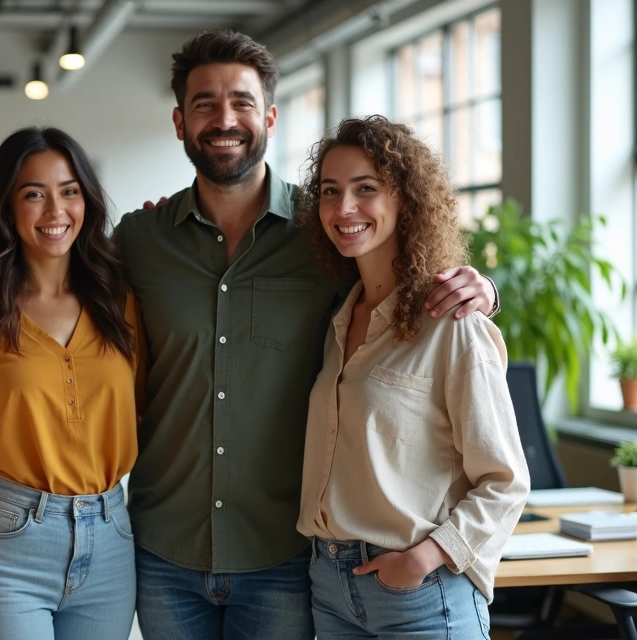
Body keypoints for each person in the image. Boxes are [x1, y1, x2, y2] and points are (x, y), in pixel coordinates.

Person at [111, 30, 501, 640]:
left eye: (241, 101)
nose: (224, 119)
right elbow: (63, 320)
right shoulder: (140, 239)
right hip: (166, 551)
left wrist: (481, 288)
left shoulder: (324, 233)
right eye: (204, 104)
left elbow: (406, 267)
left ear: (268, 116)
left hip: (287, 559)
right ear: (179, 122)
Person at [295, 115, 529, 638]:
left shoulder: (450, 323)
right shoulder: (339, 320)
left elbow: (506, 480)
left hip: (420, 592)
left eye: (366, 189)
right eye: (330, 191)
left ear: (406, 200)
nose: (344, 208)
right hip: (330, 586)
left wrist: (426, 558)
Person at [0, 127, 142, 640]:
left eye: (69, 190)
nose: (56, 210)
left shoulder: (119, 298)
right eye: (34, 194)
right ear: (7, 207)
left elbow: (138, 404)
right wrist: (2, 457)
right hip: (14, 542)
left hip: (112, 533)